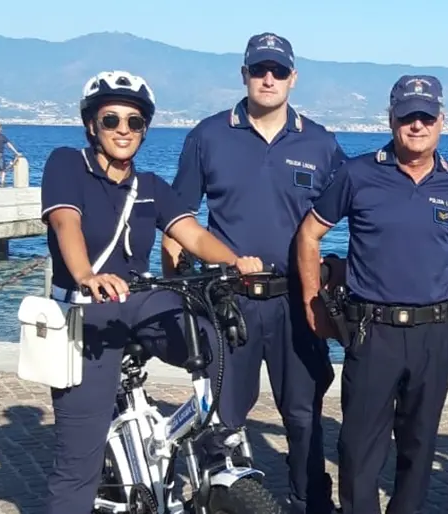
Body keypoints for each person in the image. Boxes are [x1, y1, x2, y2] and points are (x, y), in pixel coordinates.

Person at [40, 69, 265, 514]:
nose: (123, 130)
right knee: (77, 463)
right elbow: (66, 222)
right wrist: (86, 274)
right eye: (111, 120)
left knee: (215, 334)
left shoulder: (150, 187)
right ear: (91, 125)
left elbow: (193, 235)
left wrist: (235, 263)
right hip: (87, 315)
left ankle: (213, 442)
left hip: (141, 302)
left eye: (134, 122)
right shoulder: (67, 164)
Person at [293, 74, 448, 514]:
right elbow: (309, 234)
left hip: (435, 335)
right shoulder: (358, 173)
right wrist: (314, 301)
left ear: (442, 121)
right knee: (358, 449)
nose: (417, 126)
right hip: (372, 333)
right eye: (408, 116)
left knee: (420, 445)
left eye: (426, 117)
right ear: (392, 119)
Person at [162, 32, 348, 514]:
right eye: (259, 69)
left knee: (304, 415)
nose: (269, 78)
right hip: (231, 302)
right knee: (224, 414)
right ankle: (214, 497)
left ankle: (311, 502)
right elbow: (177, 220)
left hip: (297, 302)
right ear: (243, 74)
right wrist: (180, 295)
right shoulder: (208, 136)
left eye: (279, 71)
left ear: (293, 78)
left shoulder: (321, 142)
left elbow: (363, 208)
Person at [0, 122, 20, 187]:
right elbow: (9, 145)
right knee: (3, 169)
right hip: (0, 154)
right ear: (0, 129)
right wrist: (16, 152)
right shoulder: (2, 137)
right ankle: (2, 183)